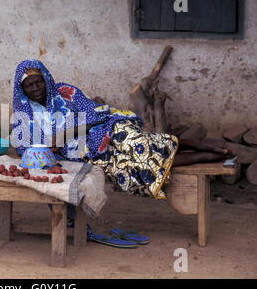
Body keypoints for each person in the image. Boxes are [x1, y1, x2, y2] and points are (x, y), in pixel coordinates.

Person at [12, 59, 235, 201]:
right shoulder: (24, 113)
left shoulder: (64, 92)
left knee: (135, 144)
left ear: (45, 79)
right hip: (88, 153)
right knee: (135, 165)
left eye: (38, 82)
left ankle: (196, 144)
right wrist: (47, 149)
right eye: (29, 86)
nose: (35, 89)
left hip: (108, 128)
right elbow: (23, 147)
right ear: (22, 89)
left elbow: (95, 115)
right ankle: (205, 156)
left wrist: (67, 134)